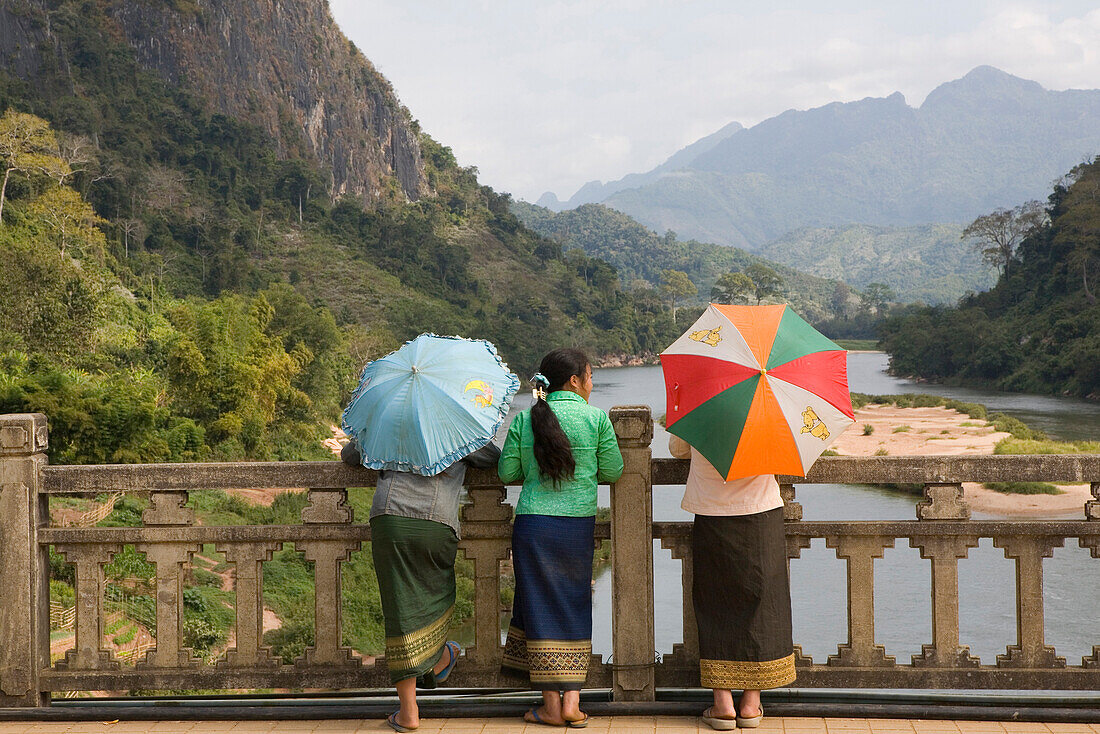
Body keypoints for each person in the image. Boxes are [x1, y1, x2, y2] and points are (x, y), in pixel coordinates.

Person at [499, 348, 624, 728]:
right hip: (576, 527)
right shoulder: (596, 418)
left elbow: (507, 472)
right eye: (589, 376)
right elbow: (615, 470)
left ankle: (549, 706)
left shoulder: (526, 419)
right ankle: (572, 703)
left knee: (538, 608)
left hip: (534, 524)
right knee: (574, 605)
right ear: (574, 381)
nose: (592, 384)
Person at [341, 437, 501, 733]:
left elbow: (350, 454)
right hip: (435, 519)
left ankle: (409, 709)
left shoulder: (386, 419)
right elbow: (493, 457)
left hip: (390, 516)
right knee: (437, 594)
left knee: (399, 609)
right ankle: (438, 658)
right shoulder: (454, 425)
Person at [669, 434, 796, 731]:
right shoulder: (767, 409)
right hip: (761, 512)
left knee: (715, 604)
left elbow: (677, 450)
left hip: (713, 514)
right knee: (764, 604)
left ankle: (723, 704)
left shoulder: (703, 407)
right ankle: (751, 705)